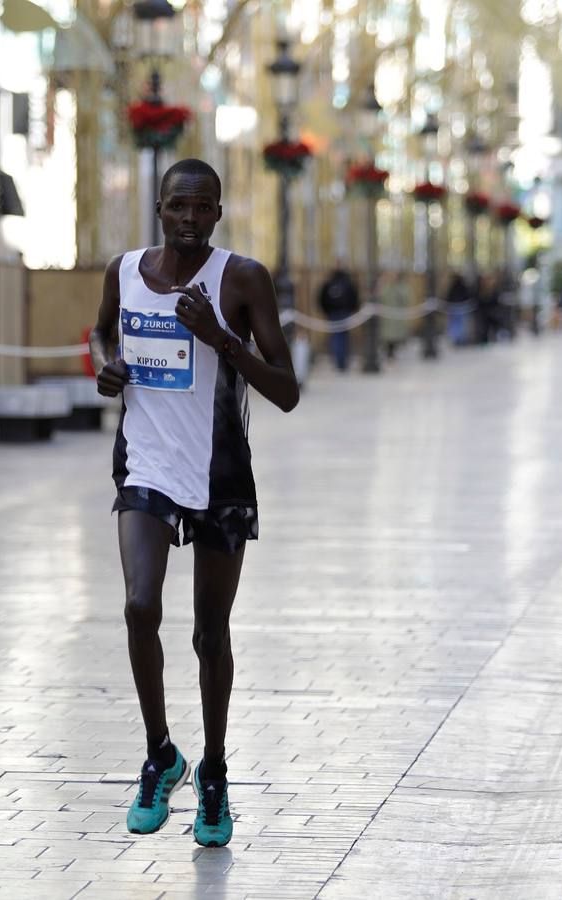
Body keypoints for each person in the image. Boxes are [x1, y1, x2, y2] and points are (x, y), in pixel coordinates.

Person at [90, 158, 298, 848]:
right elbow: (101, 335)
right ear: (159, 207)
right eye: (178, 206)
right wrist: (106, 366)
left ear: (217, 213)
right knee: (139, 606)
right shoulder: (123, 271)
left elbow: (287, 389)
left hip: (219, 474)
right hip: (145, 462)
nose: (188, 218)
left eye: (201, 208)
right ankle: (160, 754)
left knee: (211, 634)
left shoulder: (242, 278)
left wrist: (221, 339)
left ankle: (213, 770)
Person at [317, 263, 360, 371]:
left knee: (335, 337)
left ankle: (337, 360)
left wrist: (326, 311)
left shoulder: (329, 283)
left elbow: (321, 298)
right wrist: (352, 309)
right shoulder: (348, 283)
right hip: (344, 312)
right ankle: (342, 361)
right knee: (344, 337)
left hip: (333, 313)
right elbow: (354, 297)